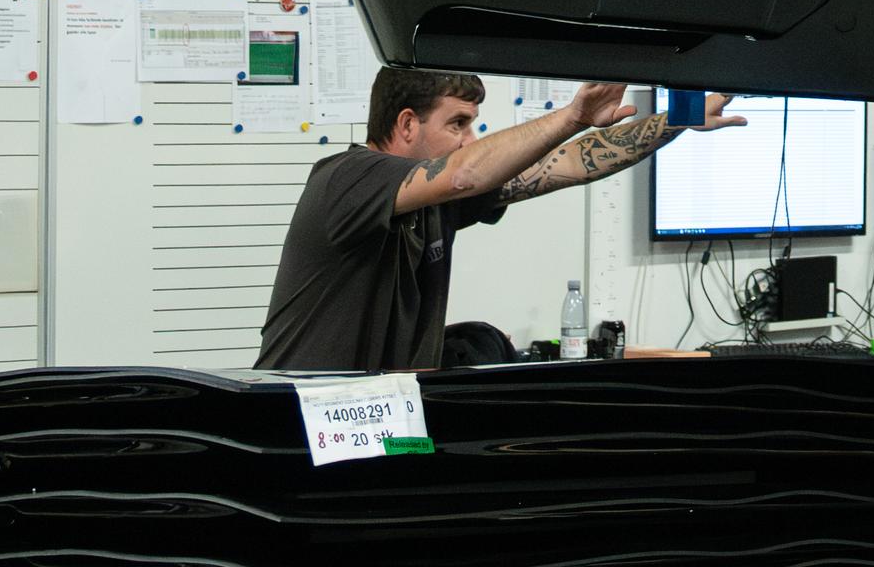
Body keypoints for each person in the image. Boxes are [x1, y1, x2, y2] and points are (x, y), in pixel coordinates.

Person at [258, 66, 729, 372]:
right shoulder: (347, 177)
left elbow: (567, 163)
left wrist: (673, 123)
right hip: (298, 428)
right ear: (406, 124)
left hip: (387, 422)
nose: (469, 139)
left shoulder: (435, 201)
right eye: (457, 124)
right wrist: (572, 116)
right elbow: (465, 172)